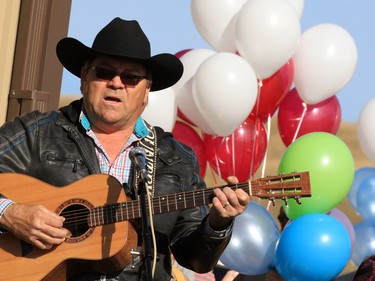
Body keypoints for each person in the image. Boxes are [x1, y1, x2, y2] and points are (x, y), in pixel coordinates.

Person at [0, 17, 249, 281]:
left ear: (146, 90)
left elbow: (196, 260)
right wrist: (10, 213)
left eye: (131, 77)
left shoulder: (176, 158)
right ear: (85, 77)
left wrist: (217, 223)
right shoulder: (36, 133)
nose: (116, 83)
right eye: (104, 72)